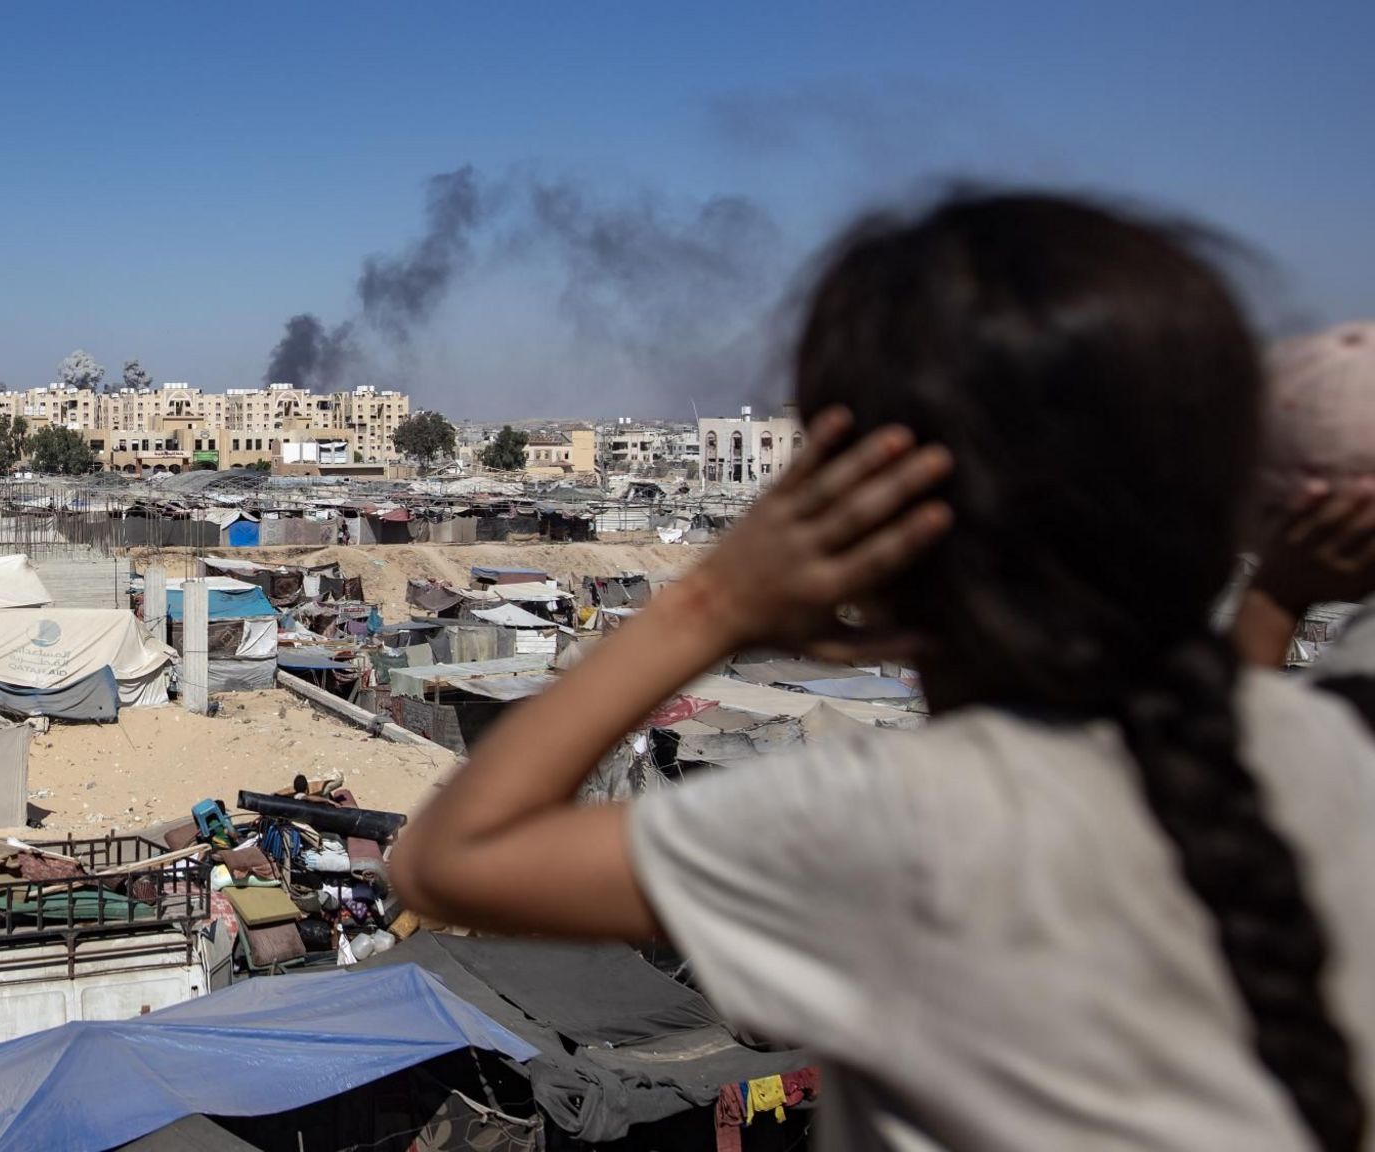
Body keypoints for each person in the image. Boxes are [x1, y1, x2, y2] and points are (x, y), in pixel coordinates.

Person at [390, 192, 1374, 1151]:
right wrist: (1276, 599)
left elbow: (444, 858)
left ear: (865, 532)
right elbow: (1227, 741)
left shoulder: (877, 828)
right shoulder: (1334, 750)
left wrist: (712, 600)